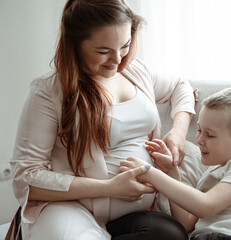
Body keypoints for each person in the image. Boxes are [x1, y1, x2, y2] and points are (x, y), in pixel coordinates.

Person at [9, 0, 195, 239]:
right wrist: (110, 188)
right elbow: (25, 178)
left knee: (172, 235)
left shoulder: (135, 71)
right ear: (74, 44)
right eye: (103, 51)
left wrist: (178, 132)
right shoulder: (49, 92)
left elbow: (181, 87)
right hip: (71, 208)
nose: (117, 60)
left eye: (125, 45)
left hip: (131, 214)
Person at [120, 87, 231, 240]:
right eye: (199, 130)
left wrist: (151, 174)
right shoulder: (212, 172)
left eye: (210, 135)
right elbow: (186, 223)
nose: (199, 140)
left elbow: (205, 206)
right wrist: (172, 172)